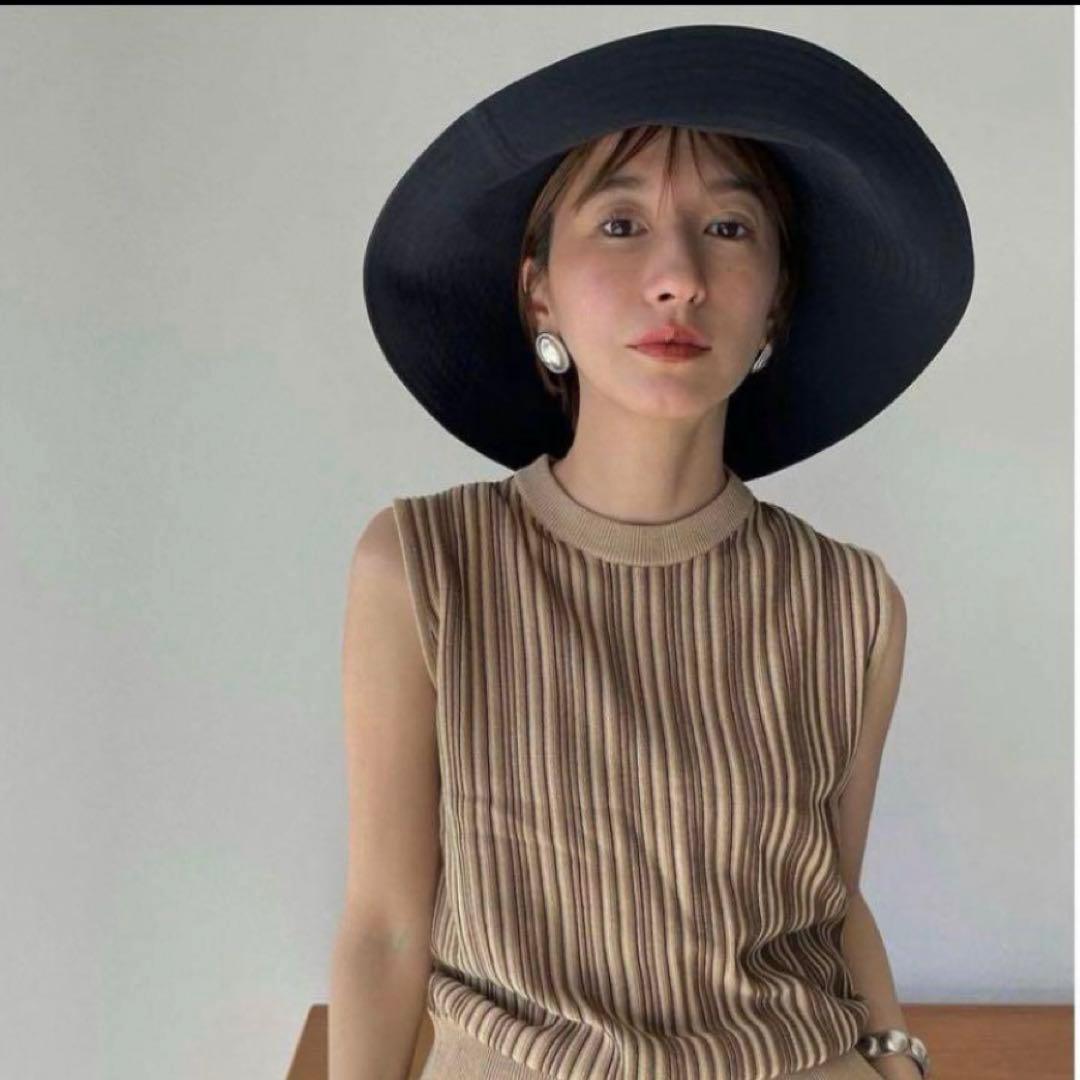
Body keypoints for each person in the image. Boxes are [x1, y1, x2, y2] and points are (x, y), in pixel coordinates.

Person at [332, 26, 970, 1080]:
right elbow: (387, 927)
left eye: (728, 227)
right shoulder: (424, 566)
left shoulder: (852, 603)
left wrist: (897, 1058)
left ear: (775, 301)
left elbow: (831, 899)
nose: (678, 277)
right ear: (539, 291)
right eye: (621, 224)